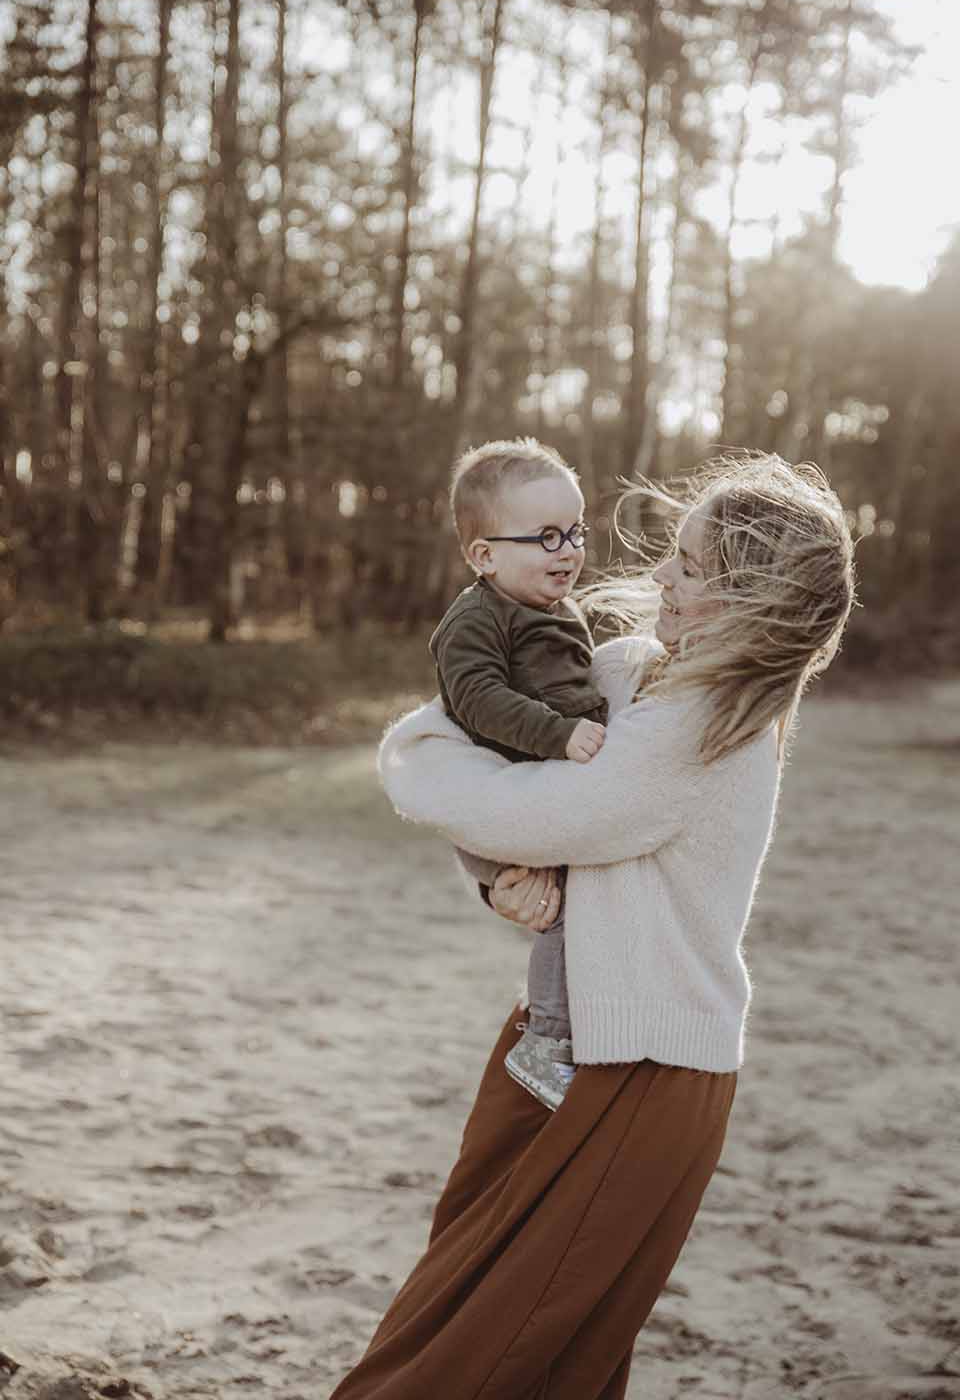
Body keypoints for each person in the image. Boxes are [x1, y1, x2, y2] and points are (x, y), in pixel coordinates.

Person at [329, 451, 856, 1400]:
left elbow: (512, 800)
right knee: (491, 1330)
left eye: (688, 566)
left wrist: (452, 792)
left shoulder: (704, 730)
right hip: (560, 1043)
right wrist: (492, 876)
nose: (656, 573)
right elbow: (467, 753)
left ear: (750, 601)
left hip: (642, 1074)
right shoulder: (627, 674)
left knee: (472, 1360)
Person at [430, 437, 609, 1109]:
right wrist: (559, 736)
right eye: (546, 537)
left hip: (540, 796)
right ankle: (547, 1039)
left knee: (583, 904)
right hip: (500, 808)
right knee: (564, 914)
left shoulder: (552, 610)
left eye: (576, 532)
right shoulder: (476, 620)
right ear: (485, 555)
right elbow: (477, 699)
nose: (568, 549)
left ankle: (572, 1026)